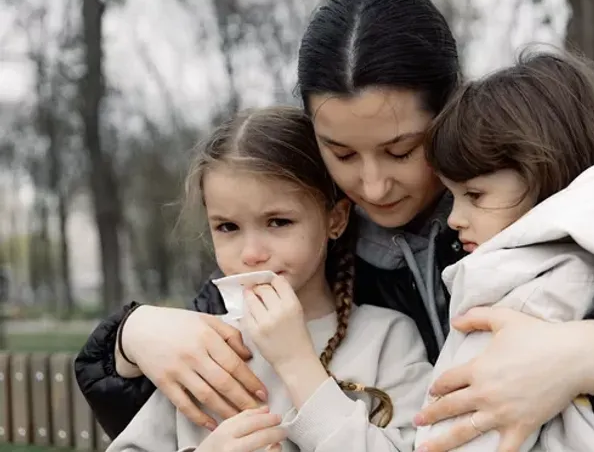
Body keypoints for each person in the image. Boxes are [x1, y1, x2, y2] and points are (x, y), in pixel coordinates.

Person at [75, 0, 594, 452]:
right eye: (341, 153)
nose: (374, 183)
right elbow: (196, 400)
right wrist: (131, 339)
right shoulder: (311, 243)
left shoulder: (531, 213)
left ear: (446, 111)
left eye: (400, 149)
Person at [415, 50, 594, 451]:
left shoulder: (527, 291)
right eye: (453, 197)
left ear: (542, 174)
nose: (455, 218)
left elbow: (459, 436)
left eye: (475, 195)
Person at [104, 106, 433, 452]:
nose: (251, 252)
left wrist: (297, 363)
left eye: (278, 222)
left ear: (335, 220)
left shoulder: (388, 339)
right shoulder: (201, 346)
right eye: (227, 227)